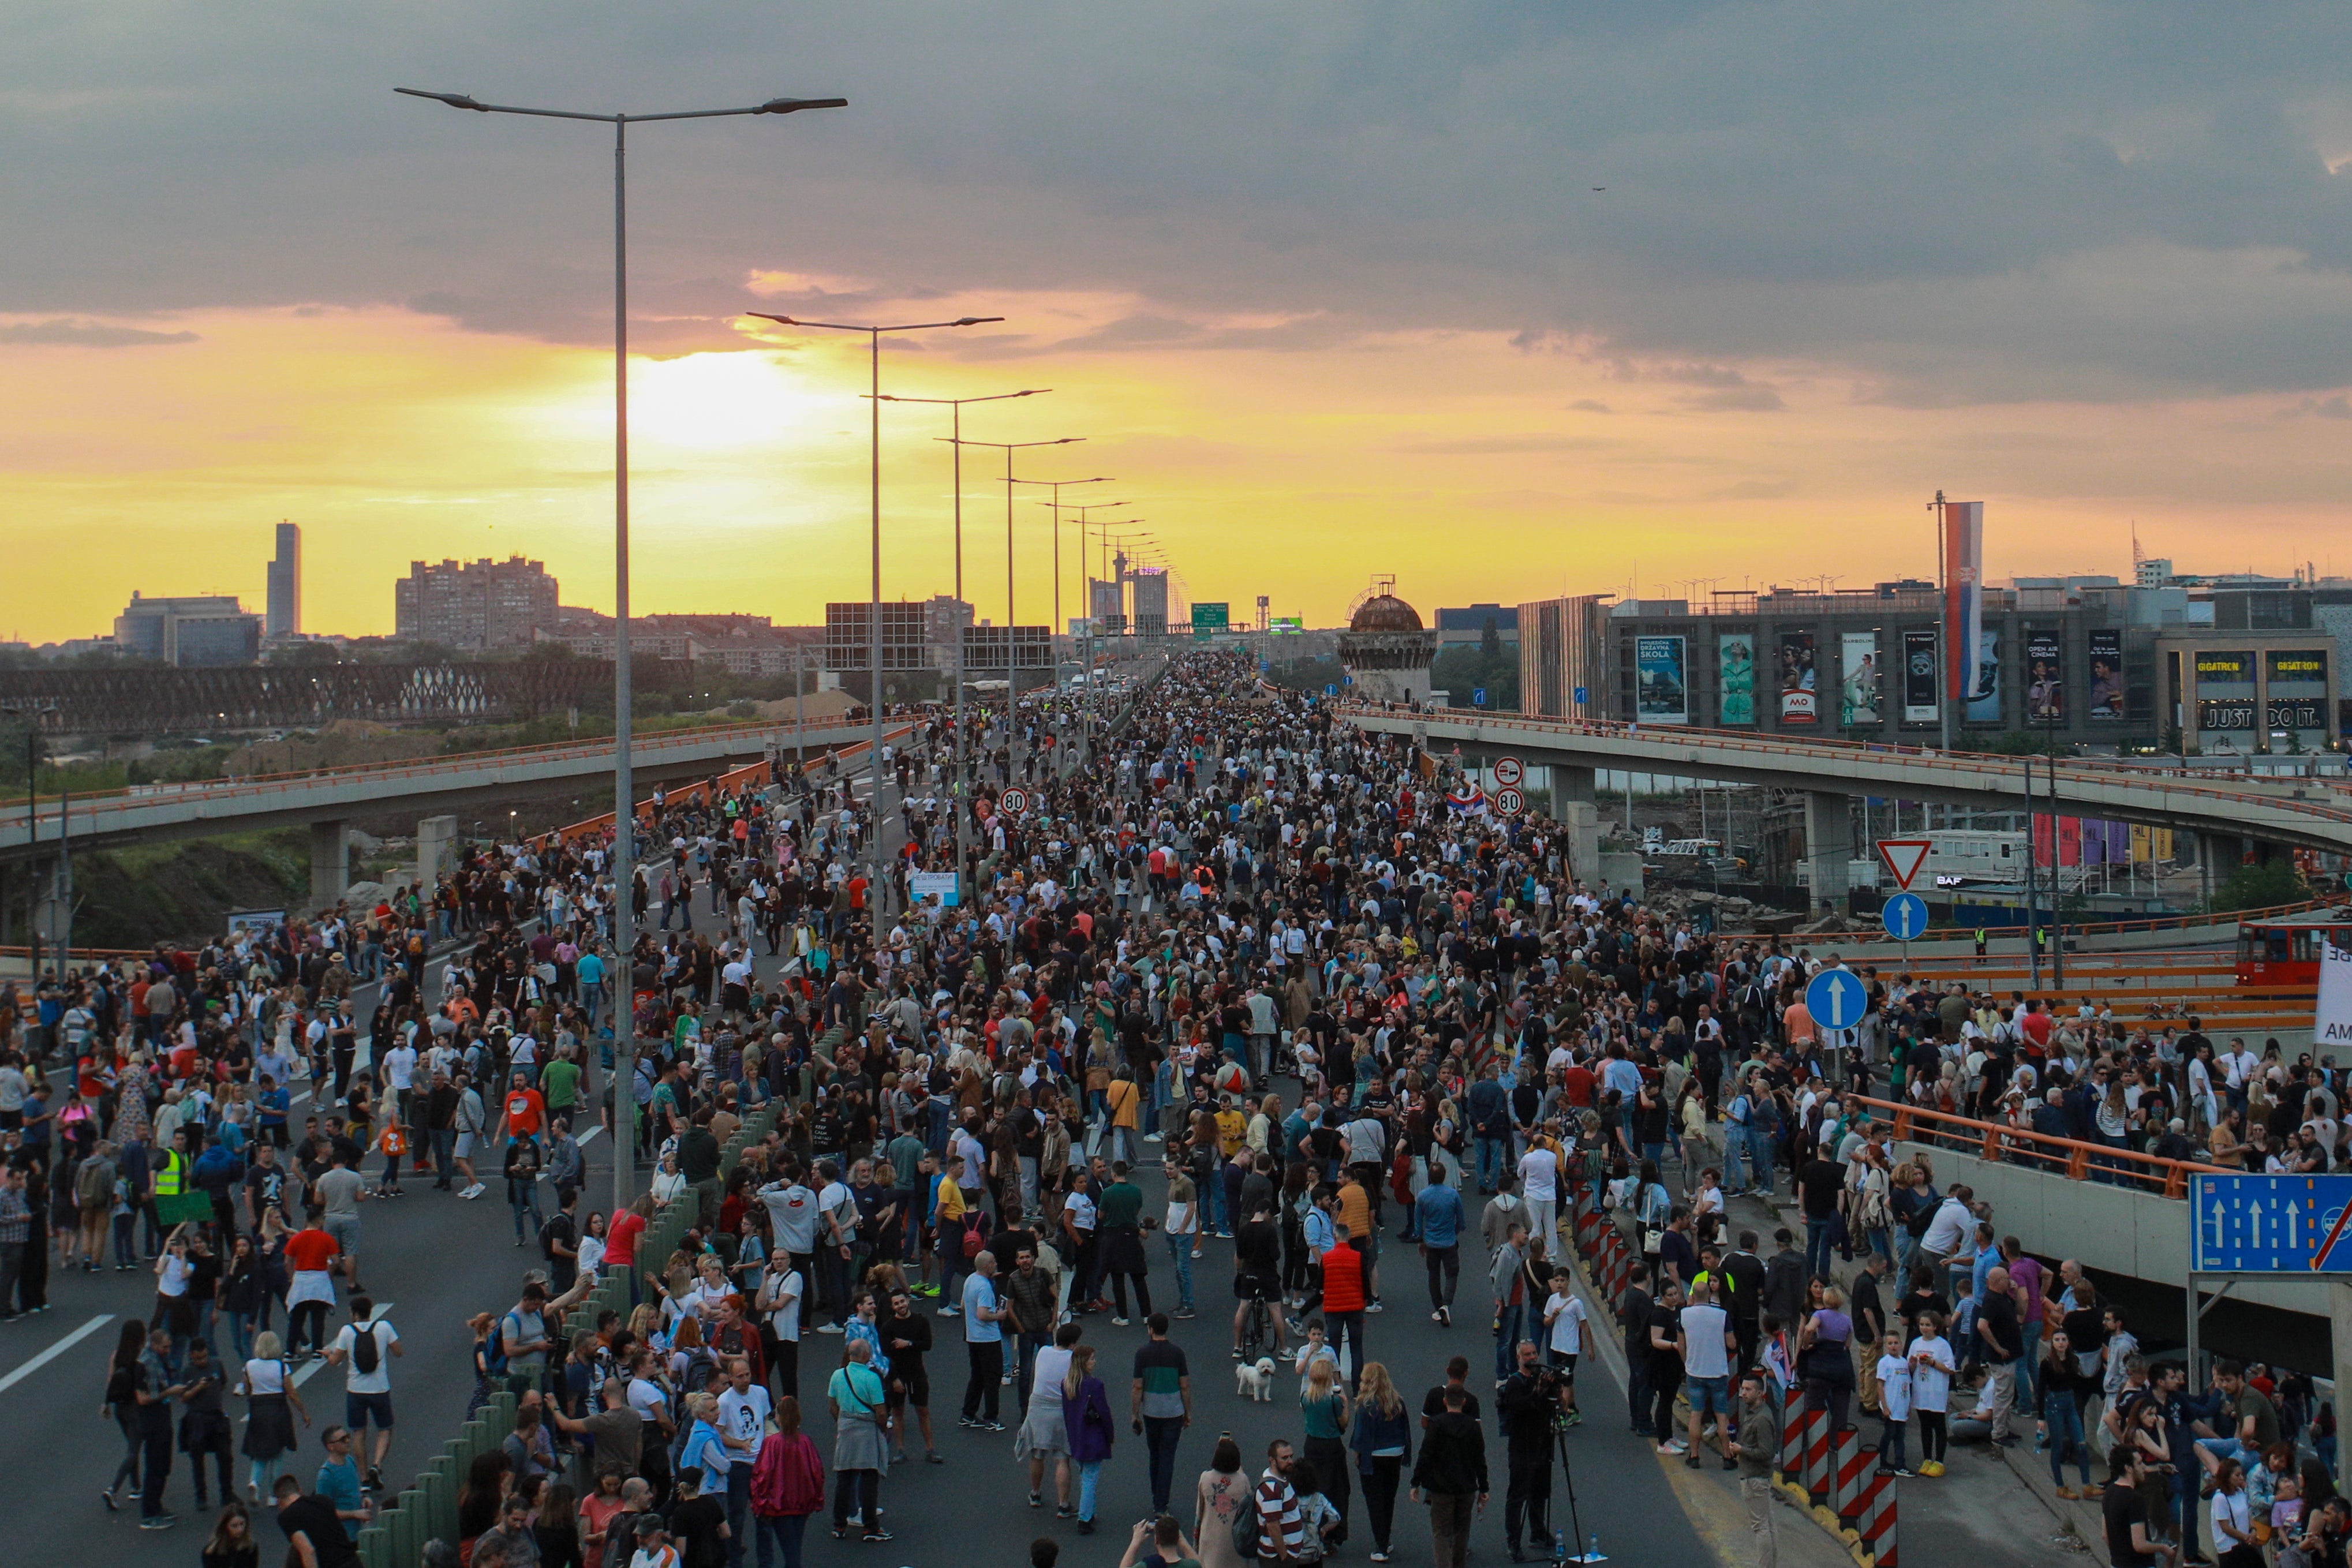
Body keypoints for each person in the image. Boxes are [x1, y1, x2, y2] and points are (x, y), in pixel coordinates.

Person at [323, 1297, 401, 1491]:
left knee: (359, 1432)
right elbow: (399, 1352)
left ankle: (364, 1478)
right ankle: (377, 1464)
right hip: (380, 1388)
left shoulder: (347, 1331)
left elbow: (335, 1360)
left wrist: (327, 1355)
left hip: (356, 1390)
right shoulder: (384, 1327)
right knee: (385, 1429)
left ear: (354, 1313)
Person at [1497, 1341, 1564, 1562]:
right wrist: (1539, 1391)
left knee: (1540, 1492)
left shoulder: (1541, 1379)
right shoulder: (1515, 1383)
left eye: (1535, 1353)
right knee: (1518, 1496)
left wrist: (1556, 1391)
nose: (1533, 1358)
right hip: (1522, 1448)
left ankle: (1538, 1532)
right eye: (1528, 1354)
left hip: (1543, 1444)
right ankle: (1513, 1542)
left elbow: (1555, 1406)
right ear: (1519, 1358)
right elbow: (1520, 1407)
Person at [1409, 1384, 1487, 1568]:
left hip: (1441, 1488)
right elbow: (1479, 1459)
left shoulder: (1436, 1424)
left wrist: (1416, 1483)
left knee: (1441, 1533)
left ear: (1445, 1402)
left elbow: (1425, 1455)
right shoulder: (1472, 1426)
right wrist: (1484, 1487)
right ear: (1464, 1402)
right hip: (1466, 1488)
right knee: (1461, 1533)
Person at [825, 1338, 890, 1544]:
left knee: (844, 1478)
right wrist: (882, 1429)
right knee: (869, 1477)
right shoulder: (872, 1379)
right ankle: (870, 1527)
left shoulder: (837, 1375)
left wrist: (842, 1423)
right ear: (865, 1356)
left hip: (846, 1427)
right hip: (866, 1430)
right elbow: (881, 1412)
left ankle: (839, 1524)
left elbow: (832, 1405)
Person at [748, 1396, 825, 1568]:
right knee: (794, 1547)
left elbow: (763, 1475)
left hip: (779, 1505)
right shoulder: (806, 1443)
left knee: (790, 1550)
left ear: (778, 1417)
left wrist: (759, 1503)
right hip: (802, 1504)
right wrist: (816, 1498)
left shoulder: (772, 1443)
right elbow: (817, 1473)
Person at [1132, 1312, 1195, 1518]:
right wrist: (1188, 1412)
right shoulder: (1178, 1353)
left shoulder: (1142, 1354)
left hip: (1151, 1411)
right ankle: (1162, 1503)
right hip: (1173, 1412)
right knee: (1168, 1456)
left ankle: (1155, 1496)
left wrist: (1135, 1414)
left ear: (1150, 1329)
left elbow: (1137, 1387)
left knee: (1155, 1454)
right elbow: (1184, 1386)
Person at [1348, 1362, 1411, 1565]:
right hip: (1394, 1453)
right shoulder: (1396, 1401)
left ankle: (1381, 1546)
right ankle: (1386, 1538)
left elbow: (1359, 1435)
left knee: (1374, 1501)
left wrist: (1358, 1454)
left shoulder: (1366, 1404)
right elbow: (1405, 1429)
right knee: (1388, 1497)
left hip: (1373, 1456)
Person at [1679, 1277, 1738, 1469]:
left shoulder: (1684, 1315)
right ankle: (1728, 1457)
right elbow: (1732, 1344)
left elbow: (1681, 1346)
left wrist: (1687, 1363)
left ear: (1694, 1296)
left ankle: (1694, 1456)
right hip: (1718, 1371)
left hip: (1695, 1371)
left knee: (1696, 1414)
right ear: (1710, 1295)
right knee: (1722, 1415)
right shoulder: (1721, 1315)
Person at [1064, 1344, 1118, 1534]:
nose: (1095, 1362)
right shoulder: (1095, 1385)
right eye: (1092, 1359)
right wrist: (1110, 1434)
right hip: (1093, 1437)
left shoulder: (1067, 1384)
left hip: (1076, 1437)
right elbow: (1104, 1412)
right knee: (1090, 1478)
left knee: (1084, 1474)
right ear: (1084, 1363)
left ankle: (1089, 1511)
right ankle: (1085, 1518)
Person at [2104, 1447, 2180, 1568]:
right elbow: (2139, 1545)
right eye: (2139, 1463)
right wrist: (2163, 1547)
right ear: (2128, 1468)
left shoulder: (2109, 1492)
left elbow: (2105, 1535)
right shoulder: (2134, 1499)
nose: (2144, 1467)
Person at [959, 1251, 1009, 1431]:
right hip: (988, 1338)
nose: (996, 1264)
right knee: (993, 1378)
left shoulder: (971, 1279)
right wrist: (999, 1315)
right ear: (987, 1266)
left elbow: (964, 1305)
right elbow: (983, 1314)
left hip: (973, 1337)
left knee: (978, 1376)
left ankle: (968, 1413)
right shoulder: (984, 1287)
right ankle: (991, 1417)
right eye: (994, 1262)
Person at [1733, 1373, 1778, 1568]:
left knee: (1761, 1527)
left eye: (1748, 1390)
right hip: (1758, 1477)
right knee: (1768, 1525)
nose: (1743, 1393)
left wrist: (1741, 1450)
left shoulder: (1761, 1419)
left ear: (1760, 1393)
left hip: (1755, 1478)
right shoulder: (1754, 1412)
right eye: (1743, 1389)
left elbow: (1766, 1453)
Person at [272, 1471, 359, 1568]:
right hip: (353, 1561)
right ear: (300, 1491)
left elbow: (308, 1550)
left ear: (279, 1502)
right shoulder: (324, 1501)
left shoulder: (287, 1516)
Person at [1908, 1311, 1954, 1477]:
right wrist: (1913, 1364)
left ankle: (1940, 1461)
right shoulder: (1915, 1343)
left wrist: (1933, 1363)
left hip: (1936, 1391)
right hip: (1921, 1390)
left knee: (1939, 1426)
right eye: (1922, 1325)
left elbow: (1950, 1369)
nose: (1924, 1328)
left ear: (1935, 1326)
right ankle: (1927, 1458)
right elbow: (1910, 1369)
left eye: (1928, 1325)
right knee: (1925, 1426)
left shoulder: (1942, 1345)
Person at [1196, 1434, 1253, 1568]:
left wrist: (1196, 1539)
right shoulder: (1243, 1480)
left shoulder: (1206, 1478)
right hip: (1235, 1540)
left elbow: (1200, 1511)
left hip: (1210, 1538)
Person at [1255, 1439, 1307, 1565]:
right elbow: (1273, 1526)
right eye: (1284, 1458)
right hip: (1277, 1559)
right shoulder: (1272, 1489)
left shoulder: (1282, 1480)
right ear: (1272, 1460)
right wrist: (1285, 1557)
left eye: (1291, 1456)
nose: (1290, 1461)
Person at [1121, 1515, 1204, 1568]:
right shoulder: (1192, 1566)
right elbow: (1202, 1566)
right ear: (1178, 1539)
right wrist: (1183, 1542)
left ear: (1156, 1540)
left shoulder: (1146, 1566)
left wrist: (1135, 1542)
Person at [203, 1499, 263, 1568]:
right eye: (234, 1526)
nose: (240, 1530)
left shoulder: (251, 1547)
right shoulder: (211, 1551)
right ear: (225, 1527)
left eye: (242, 1524)